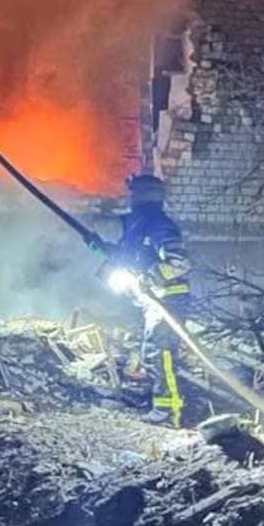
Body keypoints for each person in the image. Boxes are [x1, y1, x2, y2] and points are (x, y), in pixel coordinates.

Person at [108, 173, 192, 424]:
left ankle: (169, 411)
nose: (131, 199)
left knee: (162, 354)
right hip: (155, 300)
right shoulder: (139, 225)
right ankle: (159, 403)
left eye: (134, 194)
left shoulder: (158, 224)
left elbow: (179, 263)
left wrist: (150, 277)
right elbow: (130, 257)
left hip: (168, 299)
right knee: (152, 353)